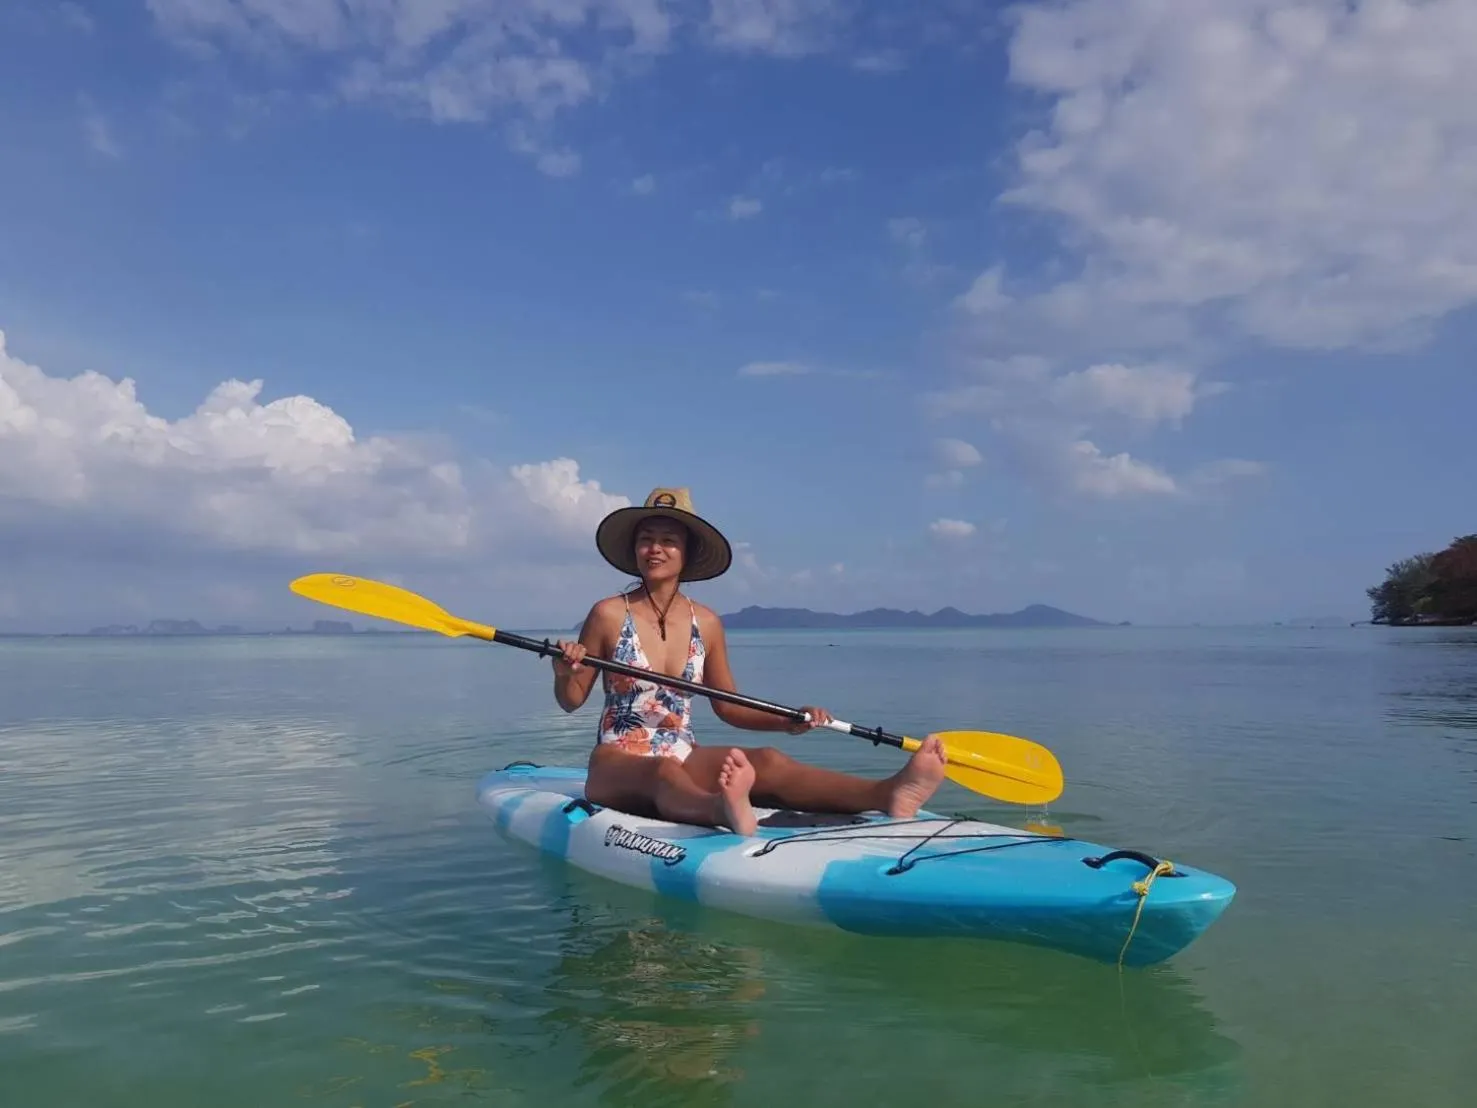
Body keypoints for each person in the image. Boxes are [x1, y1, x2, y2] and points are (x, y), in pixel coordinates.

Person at [551, 486, 948, 836]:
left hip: (682, 751)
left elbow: (728, 706)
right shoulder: (607, 614)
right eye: (646, 539)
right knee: (662, 773)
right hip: (616, 763)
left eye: (667, 540)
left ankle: (888, 793)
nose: (655, 549)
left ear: (686, 553)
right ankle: (721, 807)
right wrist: (564, 671)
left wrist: (788, 721)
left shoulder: (705, 622)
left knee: (768, 762)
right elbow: (572, 699)